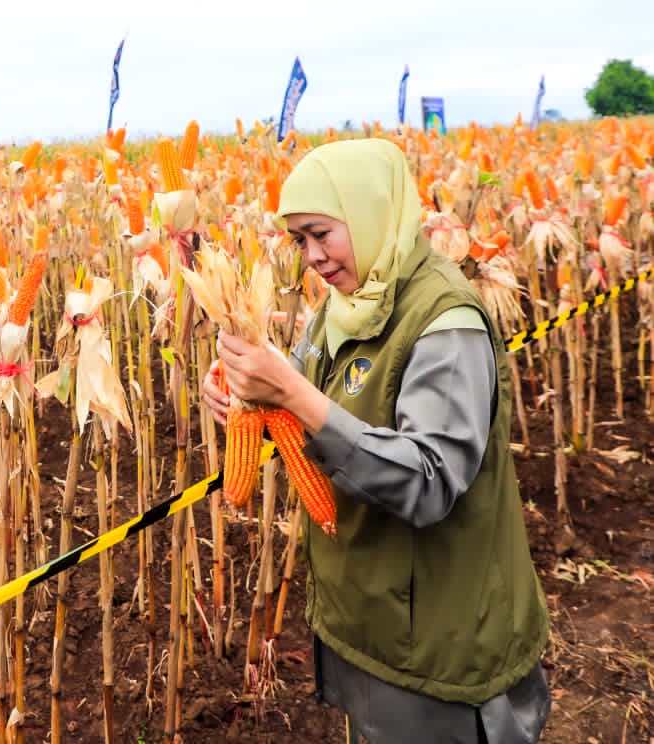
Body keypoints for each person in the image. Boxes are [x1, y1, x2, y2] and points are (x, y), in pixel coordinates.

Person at [202, 139, 551, 743]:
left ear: (370, 212)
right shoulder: (344, 306)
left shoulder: (446, 323)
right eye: (299, 241)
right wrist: (249, 398)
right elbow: (307, 389)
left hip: (441, 633)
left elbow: (429, 481)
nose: (312, 256)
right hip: (372, 610)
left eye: (321, 234)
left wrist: (291, 393)